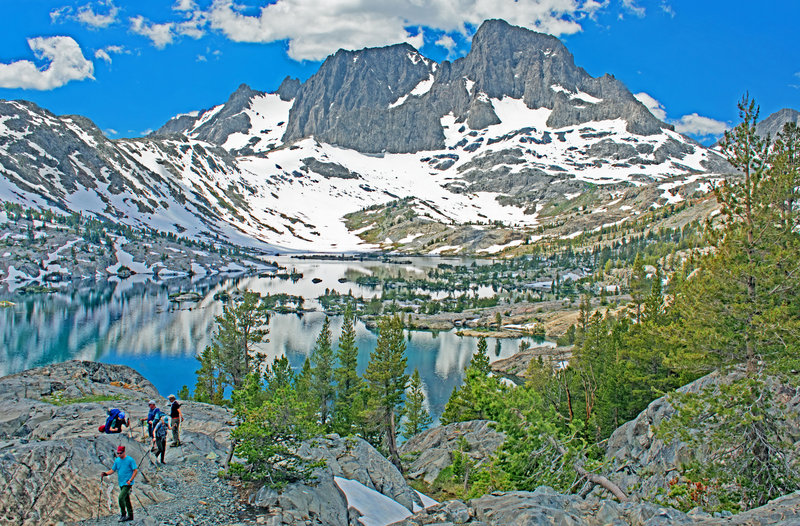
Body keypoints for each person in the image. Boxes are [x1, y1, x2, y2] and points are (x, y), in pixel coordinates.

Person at [101, 445, 138, 522]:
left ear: (124, 452)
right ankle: (130, 515)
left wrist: (130, 480)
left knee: (121, 498)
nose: (119, 455)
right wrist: (106, 474)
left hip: (127, 483)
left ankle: (123, 515)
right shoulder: (117, 460)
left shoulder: (130, 460)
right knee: (126, 498)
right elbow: (113, 470)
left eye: (120, 453)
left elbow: (135, 470)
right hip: (121, 482)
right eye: (118, 453)